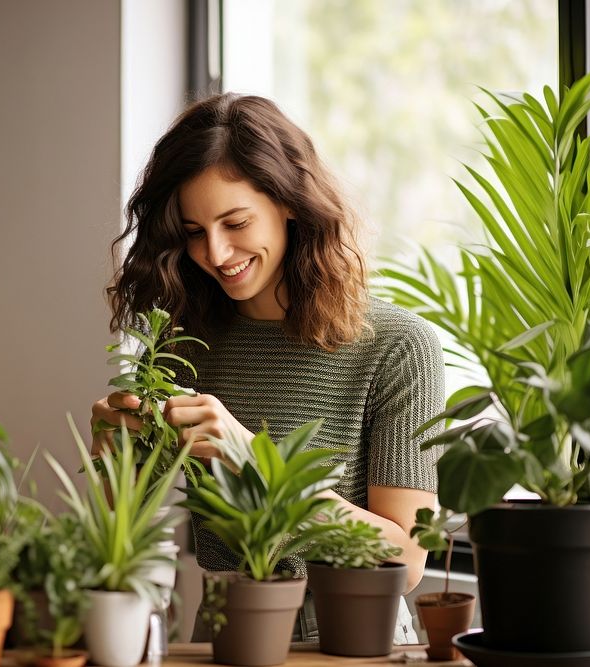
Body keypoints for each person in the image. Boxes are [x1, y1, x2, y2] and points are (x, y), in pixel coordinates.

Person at [91, 94, 443, 644]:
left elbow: (408, 556)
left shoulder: (398, 348)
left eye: (235, 222)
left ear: (291, 203)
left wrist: (252, 460)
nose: (216, 251)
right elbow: (123, 527)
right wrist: (110, 458)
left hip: (352, 642)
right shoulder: (183, 345)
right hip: (227, 634)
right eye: (192, 231)